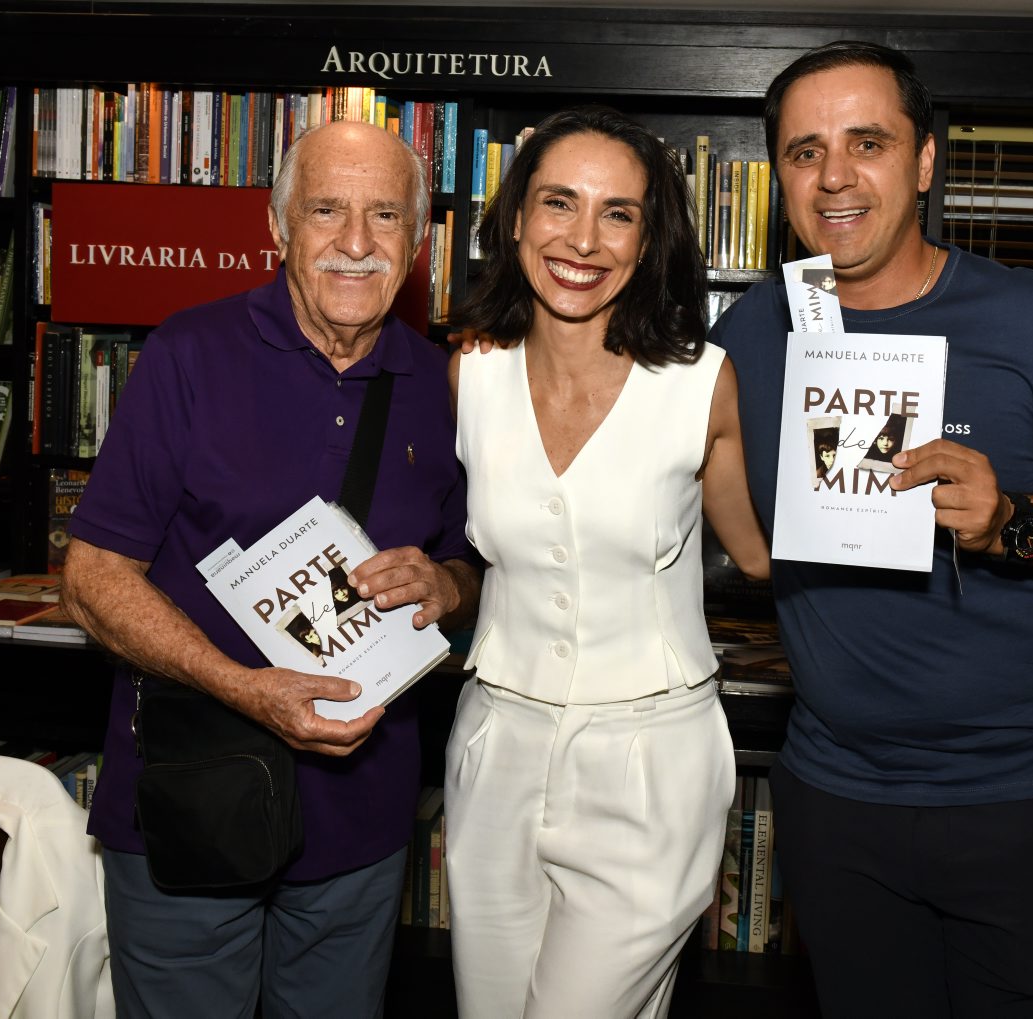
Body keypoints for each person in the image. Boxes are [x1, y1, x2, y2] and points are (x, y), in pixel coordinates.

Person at [710, 41, 1033, 1018]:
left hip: (1023, 803)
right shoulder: (751, 337)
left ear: (924, 160)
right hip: (835, 800)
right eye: (805, 152)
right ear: (781, 180)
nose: (835, 175)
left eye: (867, 142)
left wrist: (1017, 520)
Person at [60, 120, 481, 1019]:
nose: (357, 243)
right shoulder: (189, 353)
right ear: (278, 225)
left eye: (385, 216)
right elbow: (93, 574)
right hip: (189, 798)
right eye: (327, 210)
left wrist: (448, 585)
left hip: (363, 820)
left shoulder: (443, 385)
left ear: (416, 244)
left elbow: (471, 561)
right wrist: (244, 687)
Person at [443, 105, 769, 1019]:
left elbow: (757, 553)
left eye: (617, 213)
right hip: (493, 748)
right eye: (558, 203)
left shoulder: (701, 382)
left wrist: (879, 487)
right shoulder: (471, 374)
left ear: (646, 236)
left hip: (649, 758)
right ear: (514, 220)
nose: (583, 239)